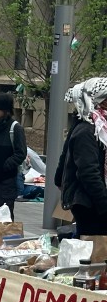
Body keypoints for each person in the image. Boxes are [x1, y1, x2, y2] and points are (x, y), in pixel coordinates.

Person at [56, 78, 107, 235]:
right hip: (91, 205)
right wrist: (104, 204)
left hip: (95, 203)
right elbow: (88, 172)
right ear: (98, 102)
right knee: (94, 252)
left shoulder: (100, 128)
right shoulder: (87, 131)